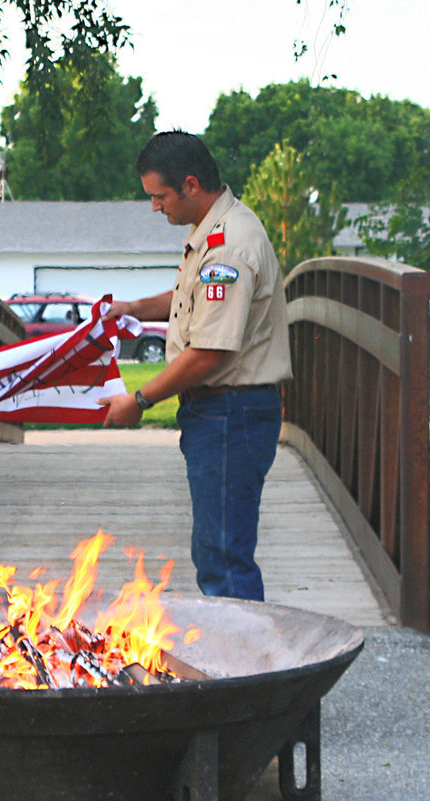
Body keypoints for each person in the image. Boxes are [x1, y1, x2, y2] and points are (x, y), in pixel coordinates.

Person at [99, 131, 293, 602]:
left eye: (158, 196)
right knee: (216, 549)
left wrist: (140, 401)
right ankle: (239, 656)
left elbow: (210, 352)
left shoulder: (228, 247)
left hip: (231, 413)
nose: (154, 207)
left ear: (190, 184)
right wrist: (133, 307)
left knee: (223, 557)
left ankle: (242, 665)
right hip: (224, 414)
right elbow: (191, 302)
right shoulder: (212, 228)